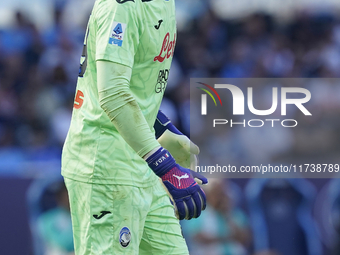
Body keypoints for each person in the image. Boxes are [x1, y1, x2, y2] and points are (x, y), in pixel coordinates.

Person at [61, 0, 207, 254]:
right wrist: (166, 166)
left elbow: (136, 87)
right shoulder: (121, 7)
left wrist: (163, 129)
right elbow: (113, 93)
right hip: (106, 166)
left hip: (141, 164)